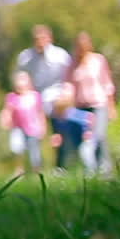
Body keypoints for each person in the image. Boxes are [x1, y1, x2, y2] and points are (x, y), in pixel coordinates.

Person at [16, 25, 71, 166]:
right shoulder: (26, 57)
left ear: (49, 38)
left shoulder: (60, 56)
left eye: (43, 38)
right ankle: (35, 166)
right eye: (37, 39)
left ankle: (61, 166)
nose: (40, 41)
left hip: (56, 99)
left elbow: (69, 78)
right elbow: (21, 77)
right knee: (33, 137)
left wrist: (66, 96)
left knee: (58, 135)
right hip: (34, 101)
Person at [69, 31, 116, 177]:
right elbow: (69, 86)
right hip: (81, 107)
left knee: (99, 136)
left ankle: (106, 171)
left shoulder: (98, 60)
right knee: (86, 141)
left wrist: (111, 106)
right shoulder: (73, 64)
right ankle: (91, 170)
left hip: (99, 105)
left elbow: (107, 84)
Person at [0, 70, 47, 173]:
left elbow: (40, 113)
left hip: (33, 128)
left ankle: (37, 171)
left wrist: (43, 126)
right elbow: (7, 110)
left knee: (34, 151)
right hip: (17, 128)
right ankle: (19, 170)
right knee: (16, 148)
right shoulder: (12, 97)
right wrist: (5, 120)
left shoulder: (35, 96)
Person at [49, 83, 89, 171]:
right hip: (66, 140)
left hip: (80, 140)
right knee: (64, 154)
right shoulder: (56, 116)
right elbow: (56, 128)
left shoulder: (74, 114)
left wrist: (87, 131)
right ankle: (61, 170)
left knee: (84, 154)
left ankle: (88, 171)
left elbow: (88, 119)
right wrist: (56, 135)